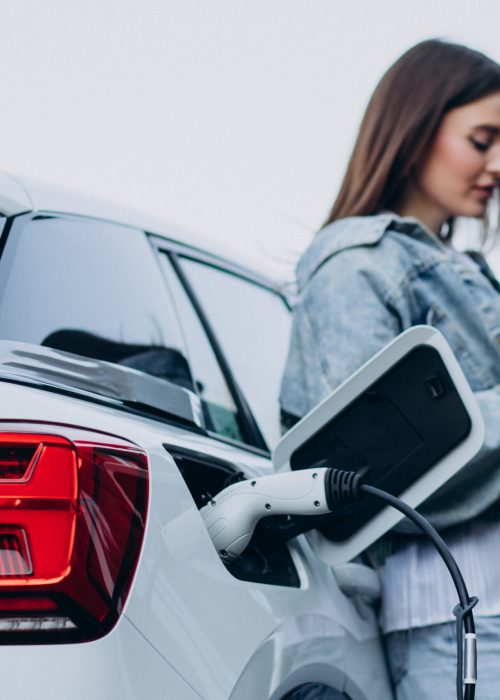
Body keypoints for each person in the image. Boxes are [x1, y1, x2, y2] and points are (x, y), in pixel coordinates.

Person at [279, 39, 500, 699]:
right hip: (458, 613)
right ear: (415, 126)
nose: (495, 165)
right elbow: (371, 477)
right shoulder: (353, 265)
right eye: (482, 139)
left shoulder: (463, 269)